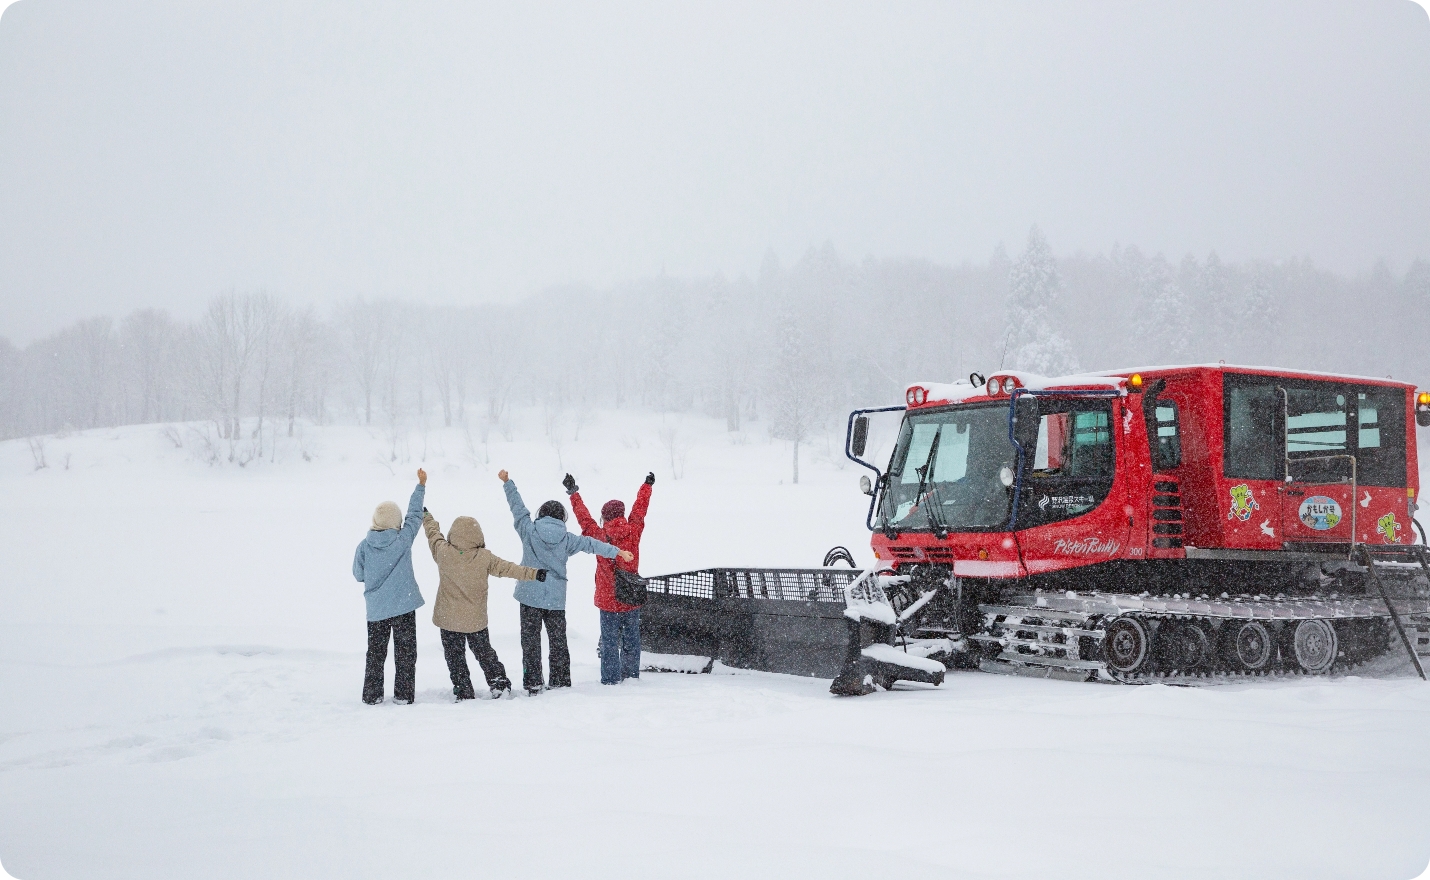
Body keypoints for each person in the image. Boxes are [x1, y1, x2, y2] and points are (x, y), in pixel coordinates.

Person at [500, 469, 633, 695]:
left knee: (530, 643)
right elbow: (592, 544)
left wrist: (507, 483)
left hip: (529, 595)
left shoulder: (529, 531)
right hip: (555, 599)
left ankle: (533, 682)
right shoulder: (567, 538)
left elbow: (518, 508)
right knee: (558, 642)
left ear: (542, 514)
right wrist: (617, 552)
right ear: (562, 517)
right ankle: (560, 681)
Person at [423, 506, 546, 701]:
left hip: (448, 620)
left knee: (455, 659)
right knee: (485, 653)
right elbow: (509, 568)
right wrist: (533, 573)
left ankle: (463, 690)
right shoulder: (484, 557)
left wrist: (427, 517)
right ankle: (499, 683)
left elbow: (433, 534)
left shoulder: (443, 552)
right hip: (475, 621)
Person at [567, 471, 654, 685]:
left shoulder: (599, 535)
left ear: (605, 516)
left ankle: (610, 679)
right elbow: (640, 510)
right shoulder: (633, 530)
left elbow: (584, 520)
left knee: (609, 642)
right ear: (622, 514)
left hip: (608, 600)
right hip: (630, 598)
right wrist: (647, 486)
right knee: (632, 641)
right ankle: (631, 675)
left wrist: (573, 493)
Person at [352, 469, 427, 705]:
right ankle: (403, 695)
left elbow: (357, 574)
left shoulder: (364, 546)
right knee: (405, 654)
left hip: (376, 611)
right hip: (404, 606)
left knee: (375, 655)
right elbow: (415, 515)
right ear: (396, 521)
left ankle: (372, 695)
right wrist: (421, 486)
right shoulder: (402, 540)